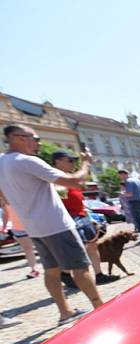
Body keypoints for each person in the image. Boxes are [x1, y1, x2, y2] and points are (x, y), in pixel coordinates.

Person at [0, 124, 103, 325]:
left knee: (51, 270)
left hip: (34, 227)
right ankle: (100, 307)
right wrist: (86, 163)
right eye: (36, 139)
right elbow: (75, 181)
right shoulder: (28, 161)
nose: (38, 144)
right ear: (19, 137)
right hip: (56, 224)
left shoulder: (2, 163)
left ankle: (65, 311)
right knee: (80, 267)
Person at [52, 150, 118, 285]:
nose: (73, 163)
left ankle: (99, 275)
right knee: (76, 250)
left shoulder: (70, 177)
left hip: (82, 216)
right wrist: (86, 163)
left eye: (74, 161)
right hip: (70, 218)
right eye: (69, 160)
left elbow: (78, 198)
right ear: (57, 161)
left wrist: (89, 215)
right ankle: (66, 274)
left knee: (92, 246)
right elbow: (59, 201)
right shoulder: (55, 177)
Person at [0, 198, 39, 279]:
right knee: (28, 248)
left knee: (43, 246)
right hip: (18, 228)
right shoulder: (3, 198)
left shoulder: (20, 193)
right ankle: (34, 270)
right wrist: (4, 226)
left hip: (33, 225)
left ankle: (58, 267)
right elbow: (5, 213)